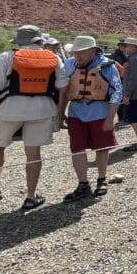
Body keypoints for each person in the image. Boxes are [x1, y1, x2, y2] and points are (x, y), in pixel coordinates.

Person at [0, 24, 69, 210]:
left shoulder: (6, 57)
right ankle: (31, 196)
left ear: (18, 41)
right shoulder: (54, 58)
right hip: (42, 111)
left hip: (10, 110)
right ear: (40, 40)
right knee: (33, 153)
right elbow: (62, 85)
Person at [58, 36, 122, 201]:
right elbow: (64, 91)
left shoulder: (108, 66)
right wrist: (60, 114)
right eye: (76, 52)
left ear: (93, 51)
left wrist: (110, 118)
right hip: (76, 114)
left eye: (82, 52)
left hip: (100, 114)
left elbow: (116, 93)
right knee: (77, 149)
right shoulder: (70, 64)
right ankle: (83, 184)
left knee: (102, 148)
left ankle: (102, 179)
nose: (78, 55)